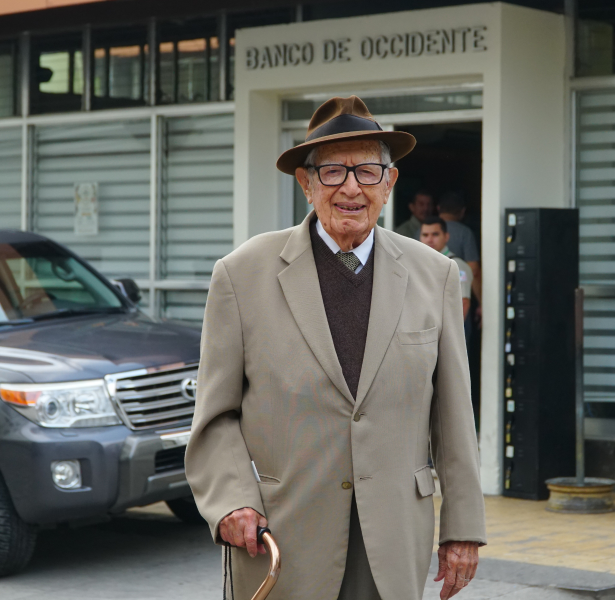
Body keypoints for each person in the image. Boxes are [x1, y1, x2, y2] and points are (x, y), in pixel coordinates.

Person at [186, 96, 486, 600]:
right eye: (332, 172)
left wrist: (462, 528)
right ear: (306, 184)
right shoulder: (241, 275)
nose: (351, 187)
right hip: (283, 536)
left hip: (393, 538)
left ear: (389, 184)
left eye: (368, 171)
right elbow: (216, 416)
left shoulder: (434, 274)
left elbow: (453, 414)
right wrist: (232, 499)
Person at [419, 216, 473, 321]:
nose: (429, 239)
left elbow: (463, 303)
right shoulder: (420, 264)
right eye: (425, 235)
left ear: (446, 237)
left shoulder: (456, 265)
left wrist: (450, 336)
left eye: (435, 234)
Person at [437, 192, 481, 305]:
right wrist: (482, 303)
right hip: (459, 298)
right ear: (462, 211)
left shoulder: (421, 232)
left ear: (438, 209)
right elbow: (474, 270)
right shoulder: (465, 233)